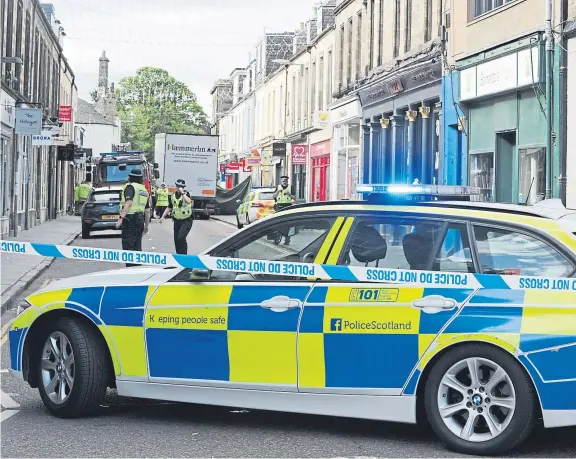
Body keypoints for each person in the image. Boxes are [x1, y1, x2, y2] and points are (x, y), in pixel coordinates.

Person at [115, 169, 151, 267]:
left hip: (130, 220)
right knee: (137, 247)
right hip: (140, 220)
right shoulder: (144, 190)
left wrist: (121, 218)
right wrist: (146, 226)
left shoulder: (130, 187)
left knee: (128, 247)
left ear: (131, 177)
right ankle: (137, 271)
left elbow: (129, 202)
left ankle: (130, 271)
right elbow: (147, 210)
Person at [160, 178, 194, 254]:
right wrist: (162, 217)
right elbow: (169, 207)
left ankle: (184, 257)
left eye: (181, 186)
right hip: (177, 221)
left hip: (187, 220)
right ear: (176, 186)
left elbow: (188, 201)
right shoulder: (173, 196)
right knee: (176, 240)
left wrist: (182, 193)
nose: (179, 188)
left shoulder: (186, 194)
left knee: (181, 237)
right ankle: (178, 257)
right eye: (178, 186)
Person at [273, 175, 296, 245]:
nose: (284, 182)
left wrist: (289, 194)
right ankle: (276, 239)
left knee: (287, 223)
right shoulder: (278, 187)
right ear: (281, 181)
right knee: (277, 223)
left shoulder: (290, 187)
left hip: (288, 207)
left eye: (286, 180)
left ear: (287, 181)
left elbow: (294, 198)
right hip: (279, 207)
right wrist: (277, 192)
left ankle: (287, 240)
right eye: (283, 181)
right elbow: (273, 196)